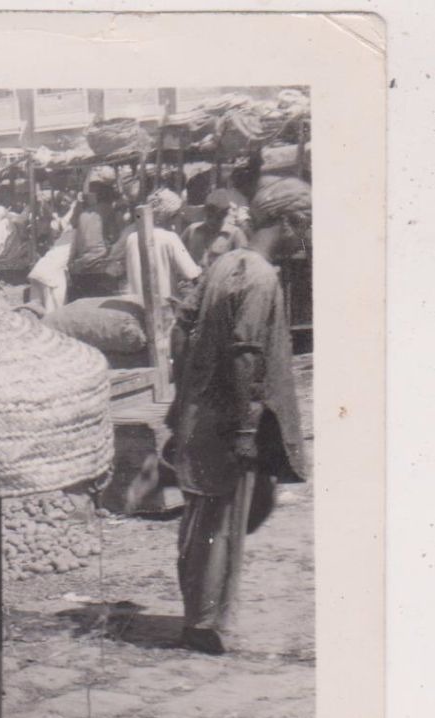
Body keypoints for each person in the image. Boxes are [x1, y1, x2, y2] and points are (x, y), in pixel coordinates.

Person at [166, 178, 309, 656]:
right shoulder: (262, 277)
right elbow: (247, 354)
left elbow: (181, 331)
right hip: (227, 420)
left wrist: (183, 398)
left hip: (198, 413)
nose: (304, 236)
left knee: (204, 514)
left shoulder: (223, 262)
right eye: (302, 224)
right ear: (287, 222)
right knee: (222, 518)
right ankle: (205, 623)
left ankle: (200, 615)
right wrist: (247, 426)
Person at [117, 189, 202, 305]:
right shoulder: (170, 238)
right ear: (169, 216)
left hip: (136, 305)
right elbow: (191, 274)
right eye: (177, 214)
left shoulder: (131, 237)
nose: (180, 217)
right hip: (164, 306)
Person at [67, 181, 126, 299]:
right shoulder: (108, 210)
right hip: (99, 263)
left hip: (81, 263)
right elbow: (117, 235)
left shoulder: (84, 213)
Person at [184, 189, 251, 270]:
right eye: (209, 216)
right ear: (204, 213)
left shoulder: (235, 234)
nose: (213, 221)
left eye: (218, 218)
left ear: (225, 215)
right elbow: (178, 255)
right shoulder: (192, 230)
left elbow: (244, 265)